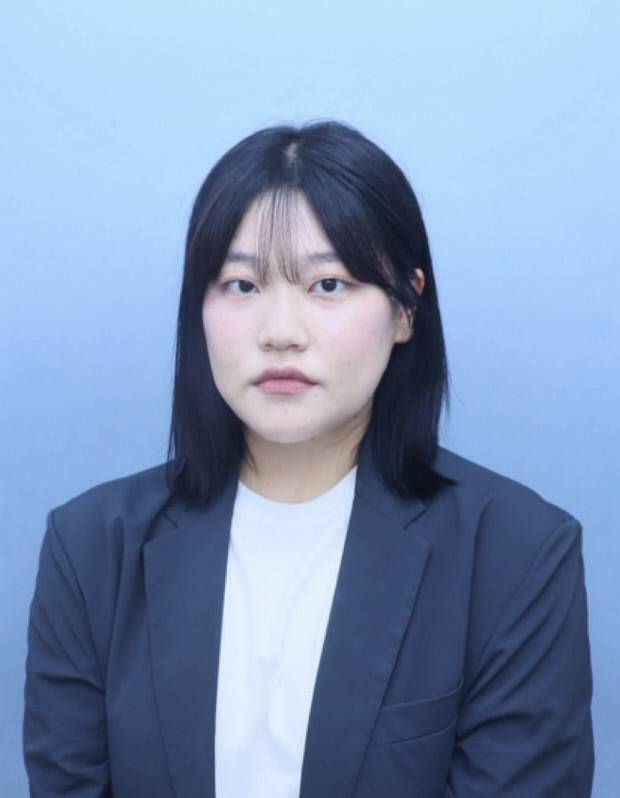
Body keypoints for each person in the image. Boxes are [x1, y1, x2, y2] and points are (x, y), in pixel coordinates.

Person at [22, 120, 594, 798]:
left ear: (406, 307)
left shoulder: (517, 554)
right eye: (242, 285)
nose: (280, 333)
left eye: (328, 284)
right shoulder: (92, 548)